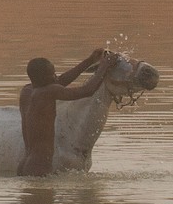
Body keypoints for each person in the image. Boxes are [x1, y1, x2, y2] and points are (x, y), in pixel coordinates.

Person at [18, 48, 117, 176]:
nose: (55, 76)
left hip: (25, 165)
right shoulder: (49, 91)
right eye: (52, 74)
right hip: (39, 168)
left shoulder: (27, 91)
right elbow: (88, 90)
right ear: (44, 78)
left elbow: (60, 81)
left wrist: (90, 60)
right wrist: (104, 66)